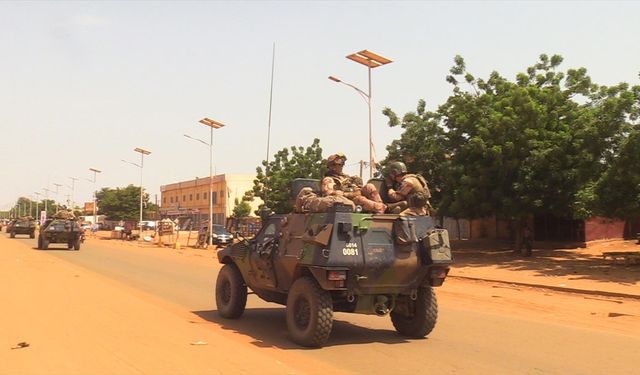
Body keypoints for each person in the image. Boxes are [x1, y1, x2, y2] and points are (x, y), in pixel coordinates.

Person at [322, 153, 386, 214]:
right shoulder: (328, 179)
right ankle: (380, 209)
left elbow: (357, 188)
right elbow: (329, 194)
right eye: (338, 164)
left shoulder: (347, 177)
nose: (341, 166)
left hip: (354, 195)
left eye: (342, 164)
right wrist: (347, 194)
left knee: (369, 186)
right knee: (360, 199)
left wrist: (357, 187)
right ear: (331, 166)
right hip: (346, 201)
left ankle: (381, 206)